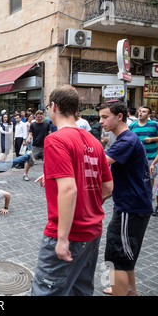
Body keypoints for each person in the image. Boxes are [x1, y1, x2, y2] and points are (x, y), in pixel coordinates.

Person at [31, 85, 113, 296]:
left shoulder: (56, 139)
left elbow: (68, 189)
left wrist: (62, 238)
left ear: (54, 107)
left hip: (70, 233)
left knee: (46, 291)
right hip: (92, 230)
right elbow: (107, 186)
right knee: (80, 289)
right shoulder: (94, 141)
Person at [99, 101, 152, 297]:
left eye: (105, 117)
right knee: (126, 254)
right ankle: (129, 290)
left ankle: (119, 290)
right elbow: (127, 176)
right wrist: (108, 194)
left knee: (116, 258)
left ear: (119, 116)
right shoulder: (126, 139)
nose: (101, 121)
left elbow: (101, 163)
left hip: (130, 208)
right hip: (134, 205)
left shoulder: (125, 141)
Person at [129, 105, 158, 189]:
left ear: (149, 115)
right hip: (136, 157)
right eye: (140, 111)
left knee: (150, 176)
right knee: (136, 176)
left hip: (151, 157)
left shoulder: (155, 125)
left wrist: (152, 139)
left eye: (144, 111)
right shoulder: (132, 126)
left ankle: (149, 193)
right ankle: (139, 192)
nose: (141, 113)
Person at [23, 110, 50, 181]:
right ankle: (25, 174)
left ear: (43, 116)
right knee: (30, 160)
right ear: (35, 117)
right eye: (38, 117)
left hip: (45, 146)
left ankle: (47, 176)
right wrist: (28, 138)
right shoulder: (33, 124)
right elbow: (30, 134)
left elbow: (50, 134)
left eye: (41, 117)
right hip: (35, 146)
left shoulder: (46, 124)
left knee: (47, 162)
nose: (39, 118)